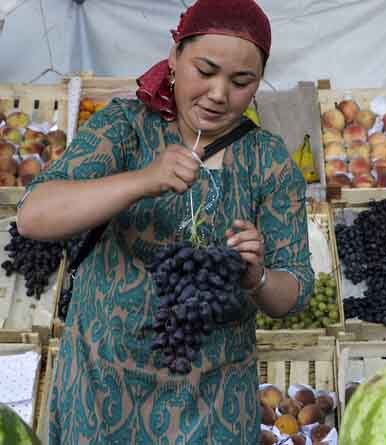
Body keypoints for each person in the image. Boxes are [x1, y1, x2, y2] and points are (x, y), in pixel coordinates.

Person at [16, 1, 313, 443]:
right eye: (205, 70)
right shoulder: (124, 127)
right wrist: (142, 180)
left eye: (241, 82)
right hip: (101, 391)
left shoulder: (267, 160)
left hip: (211, 406)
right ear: (174, 57)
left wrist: (257, 276)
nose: (218, 93)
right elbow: (33, 215)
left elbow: (294, 291)